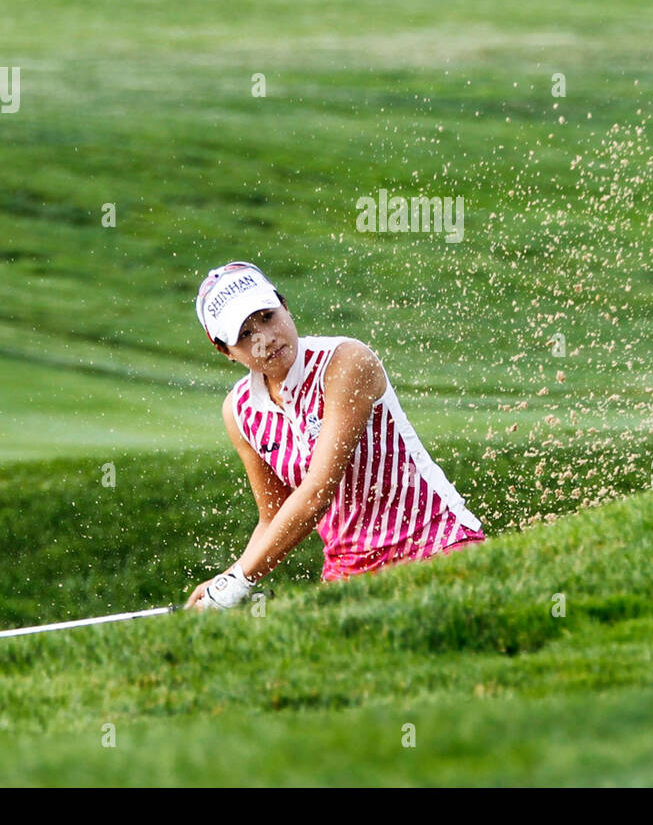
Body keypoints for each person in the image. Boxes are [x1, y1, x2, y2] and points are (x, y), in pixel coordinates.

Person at [185, 261, 485, 611]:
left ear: (285, 305)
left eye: (267, 316)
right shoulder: (240, 411)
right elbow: (273, 515)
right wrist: (225, 583)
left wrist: (239, 579)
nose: (265, 339)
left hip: (436, 544)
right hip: (347, 573)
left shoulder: (344, 361)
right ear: (225, 350)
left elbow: (316, 493)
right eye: (245, 334)